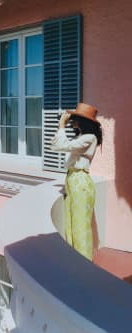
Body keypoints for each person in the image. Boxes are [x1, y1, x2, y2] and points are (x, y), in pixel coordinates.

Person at [51, 102, 102, 260]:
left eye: (75, 118)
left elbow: (61, 146)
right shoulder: (82, 136)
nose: (72, 121)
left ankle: (85, 265)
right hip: (73, 179)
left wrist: (61, 126)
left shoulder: (89, 138)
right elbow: (59, 145)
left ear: (84, 121)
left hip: (80, 181)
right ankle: (75, 260)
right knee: (71, 223)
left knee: (80, 227)